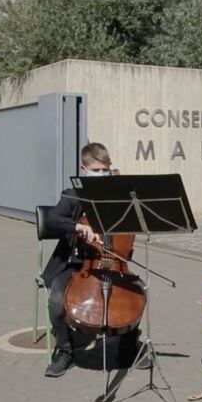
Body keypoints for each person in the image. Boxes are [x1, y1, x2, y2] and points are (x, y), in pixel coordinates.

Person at [41, 142, 145, 378]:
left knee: (136, 293)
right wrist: (77, 225)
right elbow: (53, 220)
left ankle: (128, 348)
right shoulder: (71, 195)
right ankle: (65, 351)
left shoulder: (119, 196)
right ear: (84, 168)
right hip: (77, 265)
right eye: (95, 170)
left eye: (104, 170)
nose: (101, 174)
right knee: (57, 301)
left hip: (112, 262)